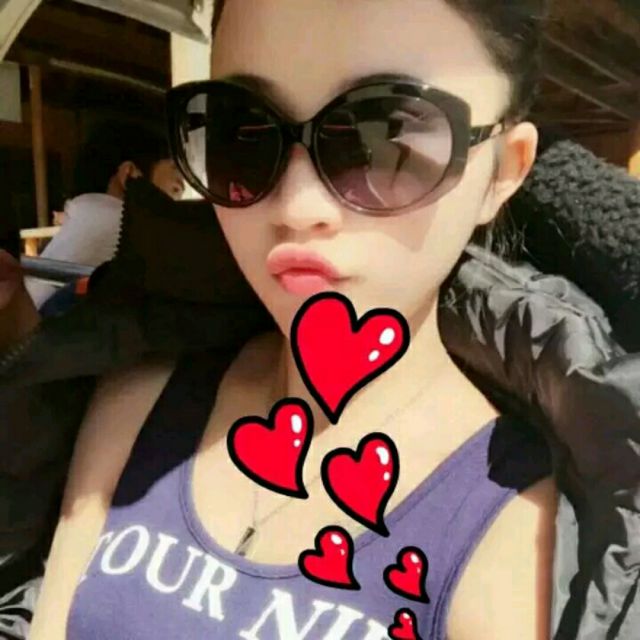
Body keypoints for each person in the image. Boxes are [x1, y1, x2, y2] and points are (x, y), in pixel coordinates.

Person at [29, 1, 558, 638]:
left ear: (504, 170)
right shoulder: (139, 401)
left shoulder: (516, 531)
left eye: (382, 137)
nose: (297, 206)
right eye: (242, 132)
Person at [25, 121, 185, 309]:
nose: (182, 185)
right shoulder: (126, 225)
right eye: (174, 168)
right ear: (130, 176)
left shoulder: (87, 217)